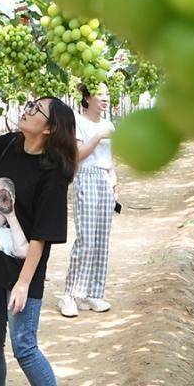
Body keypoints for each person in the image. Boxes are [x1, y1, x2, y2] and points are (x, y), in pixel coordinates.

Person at [0, 96, 76, 386]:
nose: (27, 109)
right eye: (30, 104)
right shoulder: (9, 144)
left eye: (36, 109)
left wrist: (23, 283)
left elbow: (42, 234)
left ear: (49, 128)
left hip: (22, 270)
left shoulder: (53, 170)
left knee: (24, 347)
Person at [58, 82, 117, 318]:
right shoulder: (77, 122)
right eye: (100, 94)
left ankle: (93, 292)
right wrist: (98, 136)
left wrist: (115, 183)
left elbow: (110, 159)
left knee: (102, 238)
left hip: (104, 179)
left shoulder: (108, 124)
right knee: (86, 239)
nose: (105, 98)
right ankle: (70, 294)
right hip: (87, 177)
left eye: (108, 94)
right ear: (88, 97)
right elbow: (77, 155)